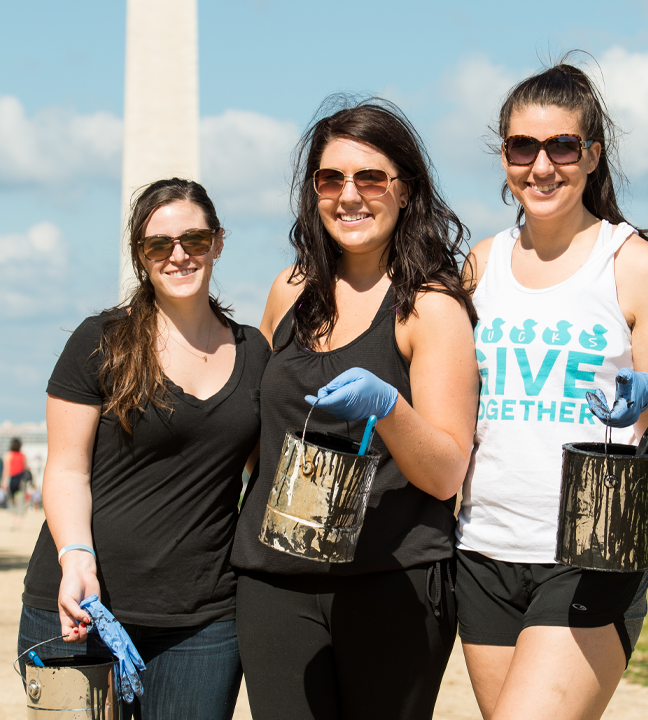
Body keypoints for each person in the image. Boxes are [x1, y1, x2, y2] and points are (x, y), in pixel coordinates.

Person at [455, 58, 648, 720]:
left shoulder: (637, 265)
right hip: (483, 549)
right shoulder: (479, 265)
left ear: (591, 156)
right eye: (521, 147)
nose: (541, 165)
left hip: (592, 550)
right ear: (503, 157)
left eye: (562, 145)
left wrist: (645, 400)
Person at [231, 97, 480, 720]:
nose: (349, 195)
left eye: (371, 177)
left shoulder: (430, 307)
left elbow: (447, 472)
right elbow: (251, 435)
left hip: (392, 581)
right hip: (274, 578)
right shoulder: (287, 290)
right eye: (330, 178)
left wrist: (389, 406)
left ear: (406, 191)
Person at [18, 177, 269, 720]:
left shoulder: (256, 353)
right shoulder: (98, 340)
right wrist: (75, 559)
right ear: (140, 256)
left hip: (203, 621)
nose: (178, 255)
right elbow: (65, 470)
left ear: (218, 242)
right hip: (79, 605)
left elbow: (263, 473)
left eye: (195, 240)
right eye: (159, 245)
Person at [3, 438, 29, 531]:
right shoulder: (23, 456)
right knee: (21, 501)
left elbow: (6, 470)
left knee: (11, 501)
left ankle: (12, 523)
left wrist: (3, 482)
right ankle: (19, 524)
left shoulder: (7, 455)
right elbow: (26, 468)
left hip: (11, 479)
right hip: (21, 480)